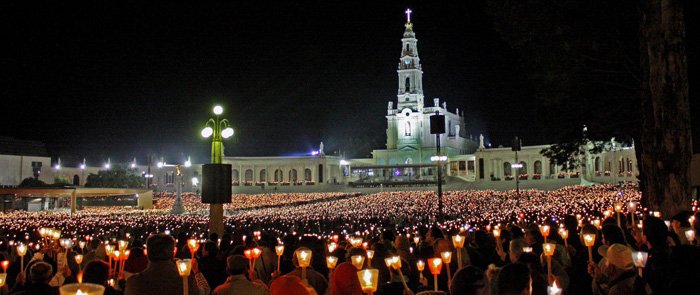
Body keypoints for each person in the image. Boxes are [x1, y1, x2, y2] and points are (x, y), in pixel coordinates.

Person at [124, 234, 201, 295]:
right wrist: (196, 271)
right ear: (172, 254)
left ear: (147, 254)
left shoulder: (134, 283)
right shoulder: (185, 282)